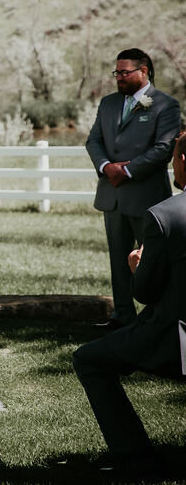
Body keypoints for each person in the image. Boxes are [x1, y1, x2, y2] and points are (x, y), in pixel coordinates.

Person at [72, 136, 186, 475]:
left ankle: (136, 459)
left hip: (174, 339)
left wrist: (138, 268)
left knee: (89, 360)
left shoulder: (166, 216)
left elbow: (146, 292)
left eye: (175, 158)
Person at [85, 48, 179, 328]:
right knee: (118, 261)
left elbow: (163, 149)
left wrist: (126, 170)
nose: (120, 78)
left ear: (144, 72)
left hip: (148, 199)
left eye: (125, 72)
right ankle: (122, 317)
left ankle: (156, 319)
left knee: (152, 260)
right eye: (117, 72)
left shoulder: (166, 105)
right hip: (111, 197)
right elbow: (94, 141)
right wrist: (106, 167)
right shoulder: (108, 103)